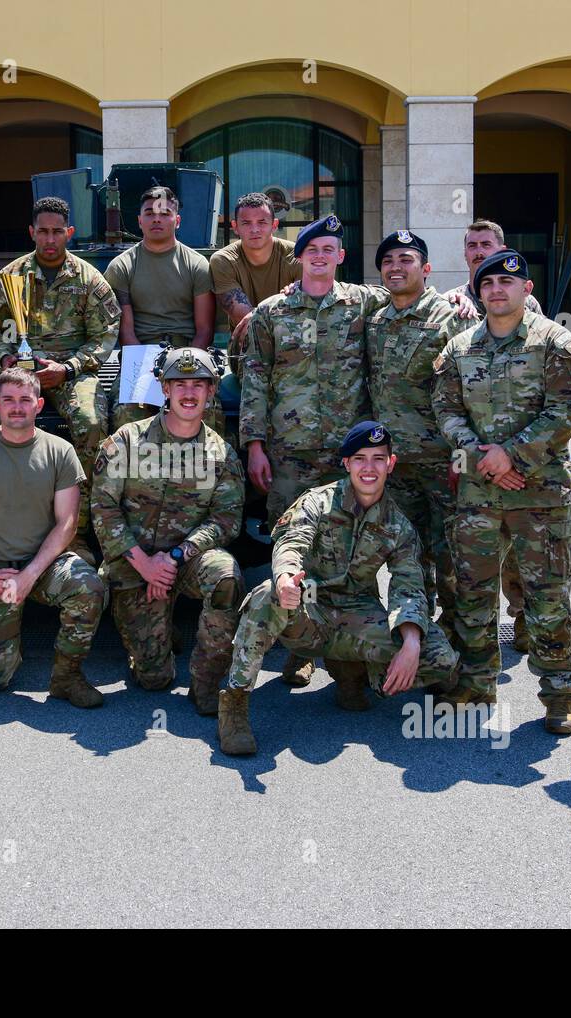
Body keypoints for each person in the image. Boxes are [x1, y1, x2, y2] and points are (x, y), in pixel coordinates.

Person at [217, 421, 460, 756]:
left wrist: (412, 640)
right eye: (360, 458)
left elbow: (409, 586)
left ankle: (355, 672)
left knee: (439, 656)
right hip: (308, 609)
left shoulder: (398, 526)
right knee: (265, 594)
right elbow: (291, 542)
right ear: (347, 463)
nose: (369, 467)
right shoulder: (318, 502)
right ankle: (235, 705)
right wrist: (286, 576)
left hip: (356, 614)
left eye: (378, 458)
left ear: (391, 463)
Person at [432, 250, 571, 734]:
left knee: (547, 596)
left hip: (538, 494)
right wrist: (481, 456)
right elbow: (446, 411)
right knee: (474, 594)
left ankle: (559, 694)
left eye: (507, 281)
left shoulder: (556, 344)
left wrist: (512, 455)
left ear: (527, 290)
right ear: (478, 293)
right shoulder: (458, 349)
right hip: (478, 495)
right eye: (488, 283)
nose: (497, 289)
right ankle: (478, 684)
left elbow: (565, 411)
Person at [240, 213, 387, 687]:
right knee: (294, 552)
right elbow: (255, 381)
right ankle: (298, 649)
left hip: (350, 456)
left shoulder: (365, 304)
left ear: (340, 257)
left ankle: (352, 649)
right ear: (298, 258)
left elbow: (414, 305)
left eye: (329, 250)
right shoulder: (271, 313)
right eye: (312, 250)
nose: (320, 257)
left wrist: (457, 300)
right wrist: (255, 445)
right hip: (290, 454)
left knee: (353, 548)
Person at [92, 347, 245, 715]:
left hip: (186, 561)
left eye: (199, 384)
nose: (189, 393)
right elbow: (103, 508)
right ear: (163, 389)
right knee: (153, 678)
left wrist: (177, 556)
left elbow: (226, 519)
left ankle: (206, 682)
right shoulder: (127, 441)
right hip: (135, 563)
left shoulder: (221, 454)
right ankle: (161, 629)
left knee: (226, 576)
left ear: (211, 392)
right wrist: (144, 563)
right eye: (179, 384)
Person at [0, 367, 106, 708]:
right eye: (8, 400)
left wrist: (30, 575)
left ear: (39, 404)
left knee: (88, 586)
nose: (16, 407)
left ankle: (67, 676)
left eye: (24, 400)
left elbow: (67, 523)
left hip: (44, 565)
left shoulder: (60, 451)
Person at [0, 196, 120, 542]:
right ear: (32, 232)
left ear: (69, 232)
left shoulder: (89, 279)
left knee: (91, 423)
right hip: (18, 374)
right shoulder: (10, 276)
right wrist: (6, 359)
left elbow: (105, 335)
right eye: (43, 231)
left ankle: (85, 524)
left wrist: (69, 368)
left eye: (58, 231)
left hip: (70, 371)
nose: (50, 239)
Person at [443, 219, 542, 653]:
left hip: (520, 451)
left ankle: (521, 616)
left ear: (503, 248)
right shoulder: (449, 304)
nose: (479, 251)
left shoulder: (529, 306)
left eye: (487, 244)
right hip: (467, 448)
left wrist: (514, 456)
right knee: (469, 542)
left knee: (520, 544)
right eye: (472, 245)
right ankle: (463, 630)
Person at [365, 230, 459, 636]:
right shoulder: (376, 320)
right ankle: (417, 637)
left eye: (406, 259)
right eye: (388, 261)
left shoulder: (452, 316)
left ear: (426, 267)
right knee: (407, 556)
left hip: (443, 461)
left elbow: (467, 392)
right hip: (397, 465)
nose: (396, 267)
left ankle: (460, 641)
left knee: (454, 556)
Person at [104, 185, 217, 430]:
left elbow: (204, 330)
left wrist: (181, 369)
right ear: (139, 220)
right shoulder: (121, 266)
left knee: (209, 411)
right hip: (140, 357)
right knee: (126, 413)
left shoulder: (197, 265)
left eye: (165, 213)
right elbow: (127, 333)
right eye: (149, 213)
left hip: (187, 356)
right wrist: (151, 372)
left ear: (177, 220)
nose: (157, 218)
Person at [207, 192, 301, 374]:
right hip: (247, 348)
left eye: (262, 222)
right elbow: (246, 322)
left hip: (293, 344)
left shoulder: (297, 256)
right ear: (235, 227)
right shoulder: (223, 260)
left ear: (274, 225)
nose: (254, 229)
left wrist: (259, 314)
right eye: (246, 223)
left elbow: (305, 311)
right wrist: (285, 302)